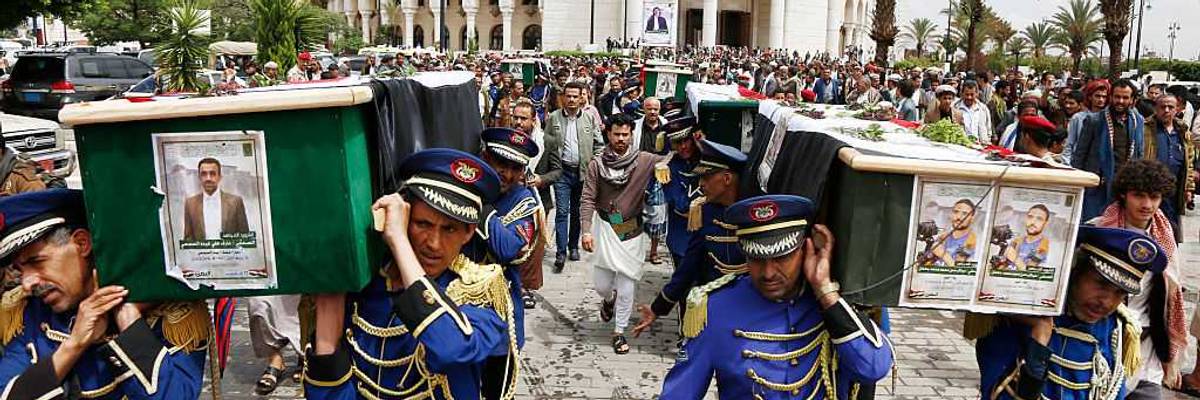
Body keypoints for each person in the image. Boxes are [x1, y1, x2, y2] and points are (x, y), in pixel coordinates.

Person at [303, 149, 516, 400]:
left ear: (469, 233)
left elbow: (450, 347)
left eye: (449, 229)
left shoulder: (480, 291)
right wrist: (328, 326)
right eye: (422, 224)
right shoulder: (367, 288)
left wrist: (400, 243)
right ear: (404, 218)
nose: (434, 243)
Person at [659, 194, 894, 398]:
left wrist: (825, 292)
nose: (768, 273)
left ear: (806, 249)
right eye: (757, 259)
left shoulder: (835, 304)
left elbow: (873, 368)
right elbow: (680, 392)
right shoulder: (714, 309)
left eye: (782, 258)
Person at [0, 189, 210, 399]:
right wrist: (74, 345)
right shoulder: (27, 313)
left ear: (82, 243)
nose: (27, 284)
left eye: (37, 262)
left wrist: (128, 320)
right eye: (20, 270)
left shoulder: (172, 313)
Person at [974, 226, 1166, 400]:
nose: (1106, 302)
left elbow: (1114, 391)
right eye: (1101, 284)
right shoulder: (1021, 316)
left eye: (1120, 293)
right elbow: (996, 391)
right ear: (1075, 272)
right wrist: (1039, 343)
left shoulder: (1115, 327)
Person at [1089, 160, 1187, 398]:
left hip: (1147, 348)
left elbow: (1170, 299)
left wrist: (1169, 359)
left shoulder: (1166, 236)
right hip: (1103, 341)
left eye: (1154, 197)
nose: (1147, 205)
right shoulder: (1098, 232)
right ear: (1124, 194)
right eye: (1139, 196)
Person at [633, 139, 747, 337]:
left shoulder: (754, 212)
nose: (701, 184)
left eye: (707, 177)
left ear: (727, 178)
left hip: (748, 313)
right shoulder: (705, 213)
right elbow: (688, 267)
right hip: (713, 314)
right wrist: (657, 308)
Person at [579, 114, 670, 354]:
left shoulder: (645, 160)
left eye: (625, 134)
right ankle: (608, 300)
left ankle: (619, 332)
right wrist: (586, 231)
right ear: (608, 134)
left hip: (631, 230)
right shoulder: (596, 165)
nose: (621, 139)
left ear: (631, 135)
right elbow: (587, 199)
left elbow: (672, 158)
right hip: (606, 227)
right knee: (601, 285)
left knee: (627, 285)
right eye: (616, 134)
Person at [468, 128, 545, 400]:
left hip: (500, 318)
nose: (508, 174)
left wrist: (480, 203)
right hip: (459, 313)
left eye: (516, 168)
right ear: (484, 157)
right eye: (500, 163)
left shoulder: (524, 201)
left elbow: (505, 247)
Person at [546, 81, 604, 273]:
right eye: (568, 96)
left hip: (583, 173)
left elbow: (599, 144)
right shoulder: (553, 118)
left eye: (575, 96)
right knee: (562, 212)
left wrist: (594, 164)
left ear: (581, 98)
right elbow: (547, 144)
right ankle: (560, 252)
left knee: (578, 212)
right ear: (563, 97)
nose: (571, 100)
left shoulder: (589, 118)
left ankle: (573, 247)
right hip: (562, 172)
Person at [1072, 79, 1146, 221]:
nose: (1120, 101)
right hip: (1098, 186)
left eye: (1125, 98)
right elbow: (1080, 155)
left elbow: (1139, 153)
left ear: (1132, 100)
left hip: (1125, 186)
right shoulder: (1095, 120)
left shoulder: (1138, 121)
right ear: (1110, 97)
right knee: (1093, 226)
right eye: (1117, 97)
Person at [1143, 94, 1195, 243]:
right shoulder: (1145, 128)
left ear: (1177, 109)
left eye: (1170, 107)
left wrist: (1189, 188)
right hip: (1151, 187)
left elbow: (1189, 161)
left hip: (1174, 190)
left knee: (1170, 228)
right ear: (1156, 109)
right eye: (1162, 107)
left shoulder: (1183, 131)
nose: (1166, 110)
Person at [182, 158, 249, 241]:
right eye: (204, 174)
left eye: (213, 174)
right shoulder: (190, 204)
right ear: (199, 177)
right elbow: (188, 239)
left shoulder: (236, 202)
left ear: (219, 177)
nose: (208, 178)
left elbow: (245, 237)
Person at [1001, 204, 1051, 271]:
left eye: (1039, 219)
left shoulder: (1044, 245)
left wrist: (1015, 259)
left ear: (1045, 223)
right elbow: (1003, 265)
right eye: (1030, 217)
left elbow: (1029, 272)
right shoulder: (1017, 241)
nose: (1033, 222)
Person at [929, 199, 977, 267]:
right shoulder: (943, 237)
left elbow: (963, 271)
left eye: (965, 213)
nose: (959, 217)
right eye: (956, 212)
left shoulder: (973, 241)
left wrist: (944, 255)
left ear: (972, 218)